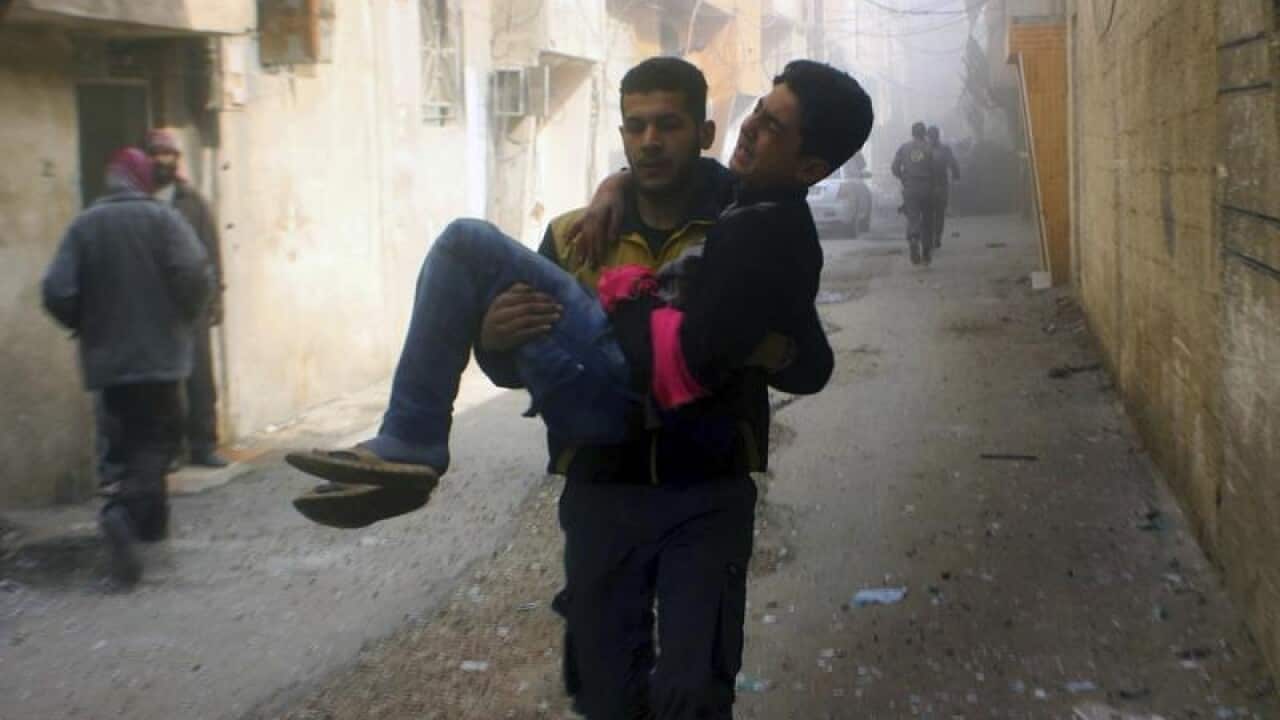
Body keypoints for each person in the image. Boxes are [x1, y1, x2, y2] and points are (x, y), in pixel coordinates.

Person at [287, 57, 873, 719]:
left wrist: (767, 348)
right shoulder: (574, 234)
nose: (650, 141)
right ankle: (409, 449)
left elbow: (811, 364)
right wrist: (495, 339)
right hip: (601, 493)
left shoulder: (742, 217)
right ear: (622, 136)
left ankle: (412, 443)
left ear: (702, 132)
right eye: (636, 128)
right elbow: (516, 371)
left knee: (694, 690)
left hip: (706, 493)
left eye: (669, 125)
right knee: (606, 692)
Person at [42, 148, 213, 586]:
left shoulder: (84, 226)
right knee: (157, 444)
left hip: (109, 364)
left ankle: (149, 540)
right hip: (161, 358)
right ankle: (123, 516)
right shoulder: (163, 220)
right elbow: (195, 273)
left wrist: (86, 324)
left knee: (125, 444)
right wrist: (185, 317)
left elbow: (57, 291)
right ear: (141, 179)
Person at [145, 129, 229, 468]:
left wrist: (216, 296)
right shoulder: (141, 201)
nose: (163, 160)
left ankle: (204, 445)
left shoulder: (192, 202)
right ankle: (169, 451)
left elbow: (210, 249)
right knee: (163, 383)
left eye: (169, 154)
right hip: (153, 307)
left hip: (191, 304)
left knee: (200, 379)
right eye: (156, 154)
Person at [891, 121, 936, 265]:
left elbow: (894, 167)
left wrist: (903, 177)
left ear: (912, 133)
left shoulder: (903, 148)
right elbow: (936, 169)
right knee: (928, 220)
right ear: (924, 133)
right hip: (927, 187)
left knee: (913, 217)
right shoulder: (930, 148)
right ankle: (926, 251)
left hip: (910, 188)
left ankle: (914, 239)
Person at [927, 125, 960, 251]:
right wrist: (956, 176)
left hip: (932, 186)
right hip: (938, 186)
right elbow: (953, 164)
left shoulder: (925, 149)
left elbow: (953, 164)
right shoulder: (944, 149)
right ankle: (936, 237)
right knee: (938, 214)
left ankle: (934, 237)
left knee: (932, 213)